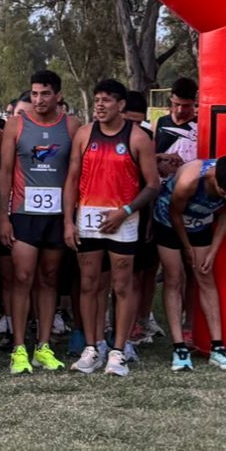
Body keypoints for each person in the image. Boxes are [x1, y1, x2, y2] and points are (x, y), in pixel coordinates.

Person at [63, 79, 161, 376]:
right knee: (89, 284)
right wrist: (68, 221)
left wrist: (126, 211)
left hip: (123, 219)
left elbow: (153, 184)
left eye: (106, 100)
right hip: (88, 218)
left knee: (121, 286)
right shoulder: (84, 134)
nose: (100, 105)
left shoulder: (138, 138)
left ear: (121, 105)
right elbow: (72, 179)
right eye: (97, 100)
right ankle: (92, 348)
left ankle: (118, 351)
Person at [0, 70, 76, 374]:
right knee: (23, 277)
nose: (39, 100)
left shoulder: (71, 126)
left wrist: (70, 219)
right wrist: (4, 216)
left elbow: (75, 173)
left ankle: (43, 346)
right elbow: (4, 172)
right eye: (34, 94)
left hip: (56, 215)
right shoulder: (16, 125)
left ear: (58, 95)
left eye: (45, 93)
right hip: (24, 214)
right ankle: (19, 348)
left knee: (49, 278)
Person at [152, 156, 226, 371]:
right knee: (174, 277)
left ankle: (218, 347)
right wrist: (187, 247)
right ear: (214, 178)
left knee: (205, 276)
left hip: (199, 223)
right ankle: (179, 347)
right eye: (223, 192)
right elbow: (175, 214)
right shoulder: (190, 180)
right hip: (168, 220)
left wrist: (213, 251)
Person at [153, 76, 199, 164]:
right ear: (171, 99)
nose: (180, 110)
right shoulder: (160, 122)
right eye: (176, 104)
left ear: (194, 102)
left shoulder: (201, 127)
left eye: (186, 106)